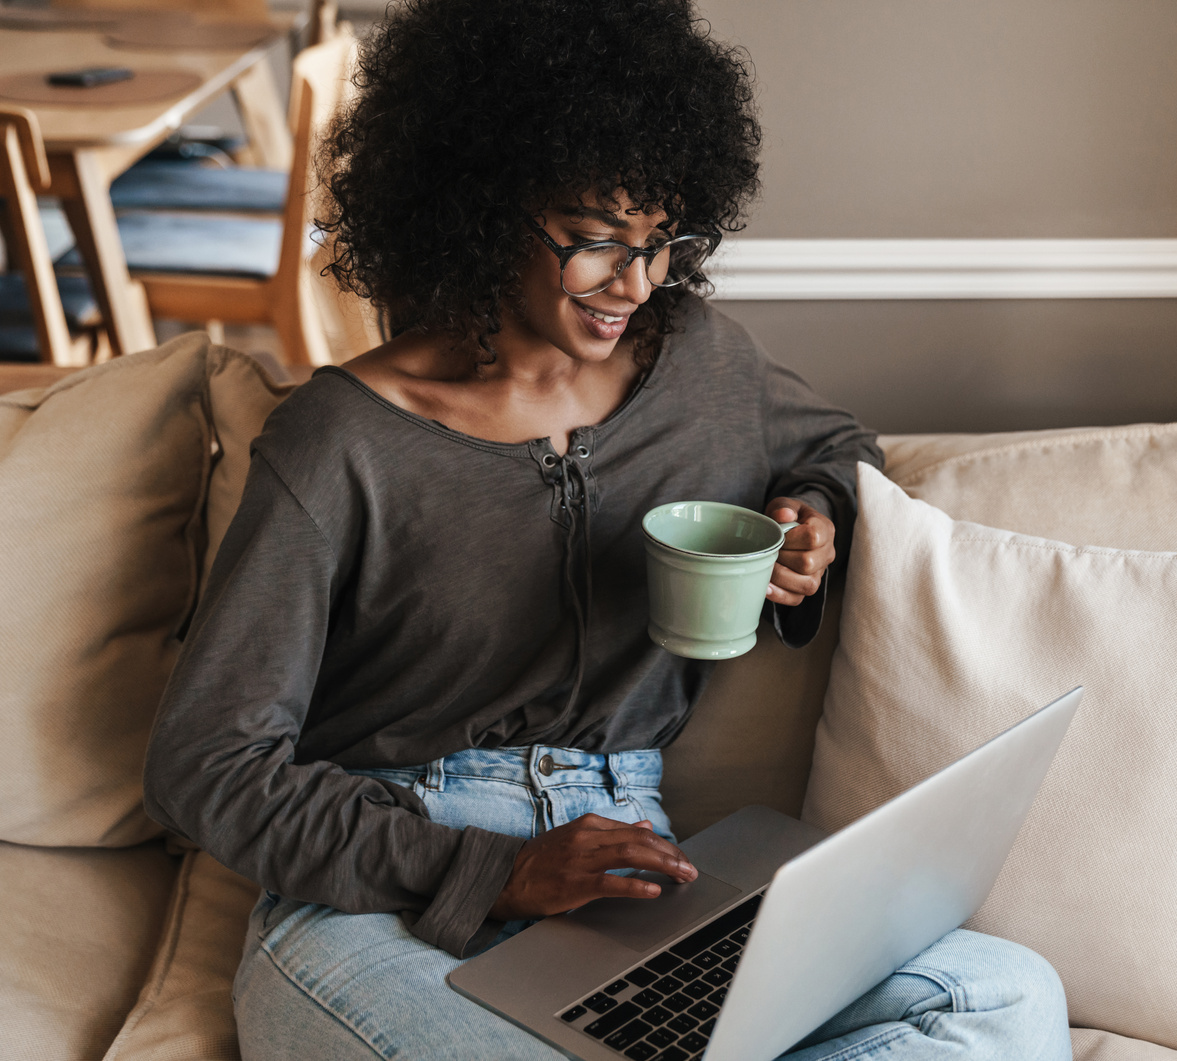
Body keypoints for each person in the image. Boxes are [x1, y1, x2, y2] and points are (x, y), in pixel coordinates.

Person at [142, 1, 1070, 1058]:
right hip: (379, 902)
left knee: (998, 994)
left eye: (663, 241)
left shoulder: (703, 368)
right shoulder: (341, 441)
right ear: (485, 211)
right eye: (594, 244)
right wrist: (492, 868)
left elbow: (840, 445)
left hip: (635, 875)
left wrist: (812, 516)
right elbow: (205, 761)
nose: (635, 285)